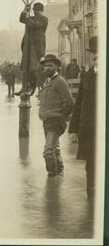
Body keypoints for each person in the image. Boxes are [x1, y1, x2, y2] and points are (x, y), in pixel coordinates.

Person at [68, 36, 98, 198]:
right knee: (90, 162)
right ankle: (91, 193)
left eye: (99, 52)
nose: (95, 56)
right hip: (89, 128)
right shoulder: (86, 77)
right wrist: (74, 129)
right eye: (93, 53)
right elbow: (78, 104)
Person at [38, 54, 74, 177]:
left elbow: (69, 103)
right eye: (45, 66)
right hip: (47, 121)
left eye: (50, 66)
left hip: (56, 121)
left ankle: (52, 176)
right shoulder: (47, 81)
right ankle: (59, 170)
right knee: (54, 147)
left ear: (57, 66)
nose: (47, 68)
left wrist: (62, 116)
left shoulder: (60, 81)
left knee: (48, 151)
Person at [16, 2, 48, 96]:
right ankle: (24, 88)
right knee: (25, 67)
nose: (36, 12)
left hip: (37, 47)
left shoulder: (44, 19)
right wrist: (25, 10)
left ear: (41, 11)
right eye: (35, 10)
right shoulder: (31, 18)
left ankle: (32, 88)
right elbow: (21, 19)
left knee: (32, 69)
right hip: (28, 46)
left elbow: (35, 25)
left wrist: (27, 18)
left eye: (38, 10)